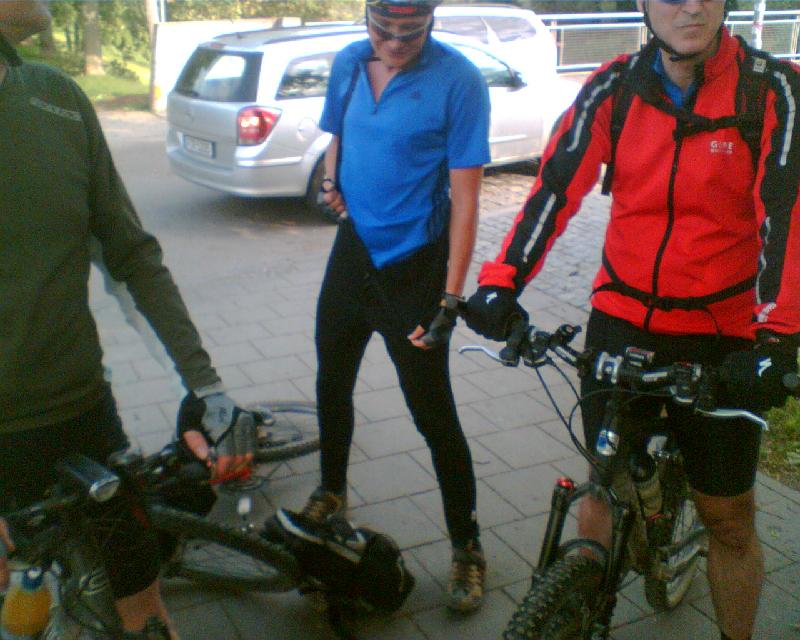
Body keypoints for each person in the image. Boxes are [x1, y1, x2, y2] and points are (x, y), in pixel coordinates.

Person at [464, 1, 800, 639]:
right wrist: (501, 281)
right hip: (623, 318)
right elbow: (556, 185)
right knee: (604, 482)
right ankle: (582, 596)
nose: (690, 5)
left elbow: (786, 211)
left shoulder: (770, 89)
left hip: (723, 333)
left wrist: (778, 336)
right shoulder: (614, 86)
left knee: (728, 520)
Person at [0, 2, 261, 637]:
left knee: (141, 599)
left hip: (82, 412)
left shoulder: (55, 99)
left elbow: (130, 256)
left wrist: (204, 388)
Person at [283, 0, 491, 613]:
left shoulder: (459, 81)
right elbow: (338, 137)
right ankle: (330, 491)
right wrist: (331, 182)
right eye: (384, 30)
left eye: (411, 32)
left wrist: (451, 298)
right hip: (352, 256)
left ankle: (468, 546)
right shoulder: (350, 61)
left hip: (415, 270)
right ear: (366, 21)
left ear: (432, 23)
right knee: (331, 380)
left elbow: (467, 201)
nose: (396, 43)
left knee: (433, 415)